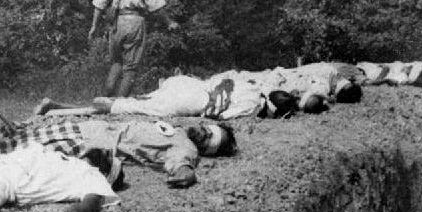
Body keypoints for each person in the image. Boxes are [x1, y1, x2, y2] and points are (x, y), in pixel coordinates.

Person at [0, 120, 237, 189]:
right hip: (90, 128)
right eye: (207, 129)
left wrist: (185, 172)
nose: (202, 132)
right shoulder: (180, 128)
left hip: (92, 143)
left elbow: (181, 161)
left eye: (207, 138)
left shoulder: (187, 147)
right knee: (17, 139)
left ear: (205, 150)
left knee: (15, 154)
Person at [33, 74, 298, 120]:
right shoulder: (253, 105)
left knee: (140, 102)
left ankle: (56, 106)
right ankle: (57, 109)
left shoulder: (252, 87)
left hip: (189, 86)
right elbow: (221, 115)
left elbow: (225, 81)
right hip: (192, 102)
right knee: (120, 108)